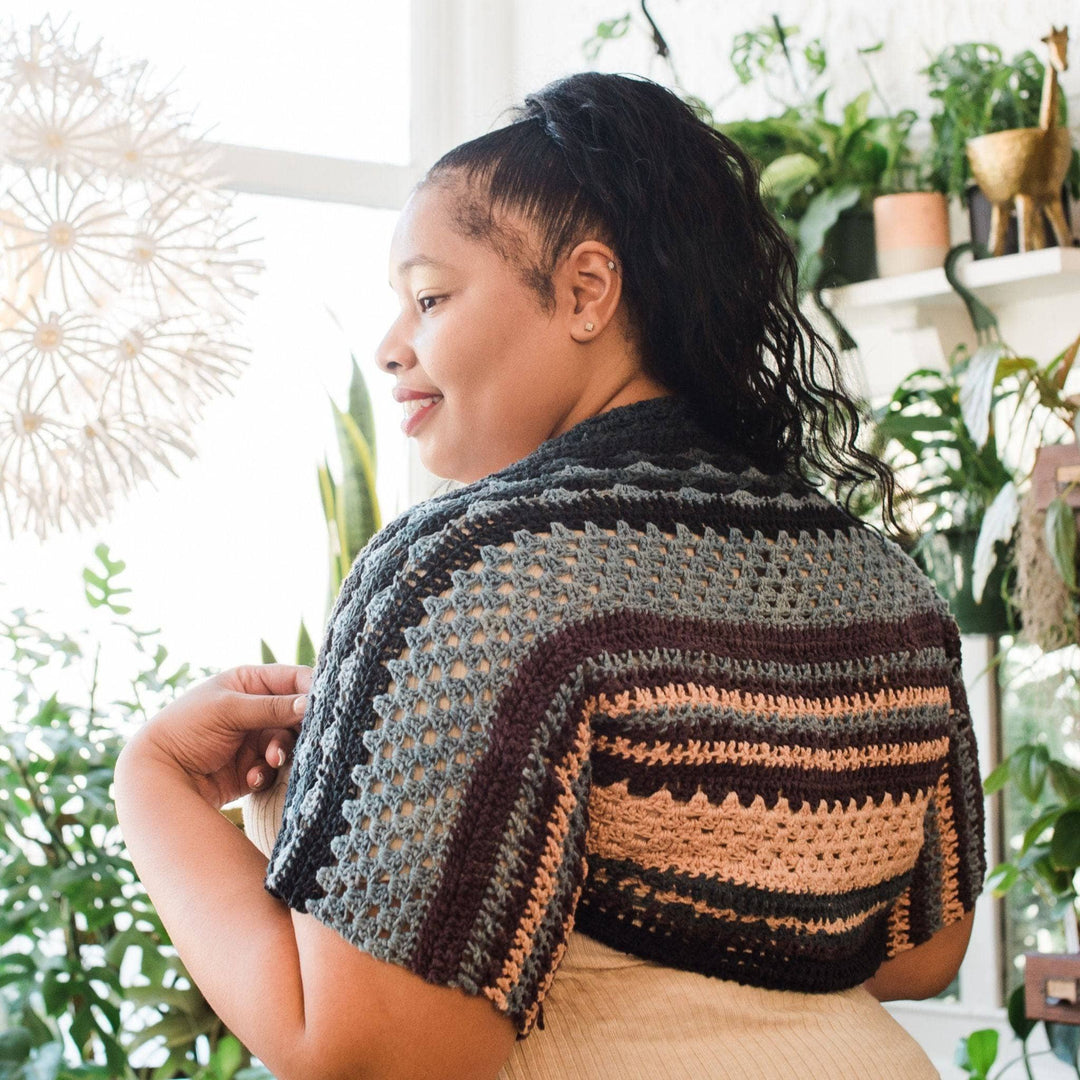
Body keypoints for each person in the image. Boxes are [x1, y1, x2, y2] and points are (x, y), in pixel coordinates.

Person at [114, 71, 985, 1080]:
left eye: (430, 296)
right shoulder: (893, 589)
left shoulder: (470, 572)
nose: (393, 347)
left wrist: (156, 783)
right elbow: (922, 948)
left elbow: (369, 1051)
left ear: (584, 291)